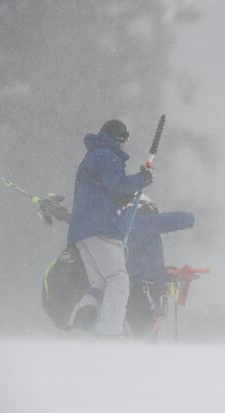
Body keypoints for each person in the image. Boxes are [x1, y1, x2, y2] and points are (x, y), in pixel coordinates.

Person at [66, 119, 154, 336]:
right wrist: (142, 178)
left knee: (99, 284)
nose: (124, 146)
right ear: (119, 139)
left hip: (81, 230)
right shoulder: (107, 155)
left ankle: (76, 328)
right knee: (118, 279)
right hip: (100, 227)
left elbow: (106, 191)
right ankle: (109, 334)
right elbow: (118, 184)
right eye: (124, 141)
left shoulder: (92, 156)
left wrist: (124, 196)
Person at [119, 194, 195, 338]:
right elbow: (173, 220)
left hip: (124, 289)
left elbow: (139, 262)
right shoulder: (142, 221)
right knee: (144, 337)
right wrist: (190, 219)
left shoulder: (120, 225)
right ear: (145, 208)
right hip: (143, 291)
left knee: (130, 335)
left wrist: (165, 274)